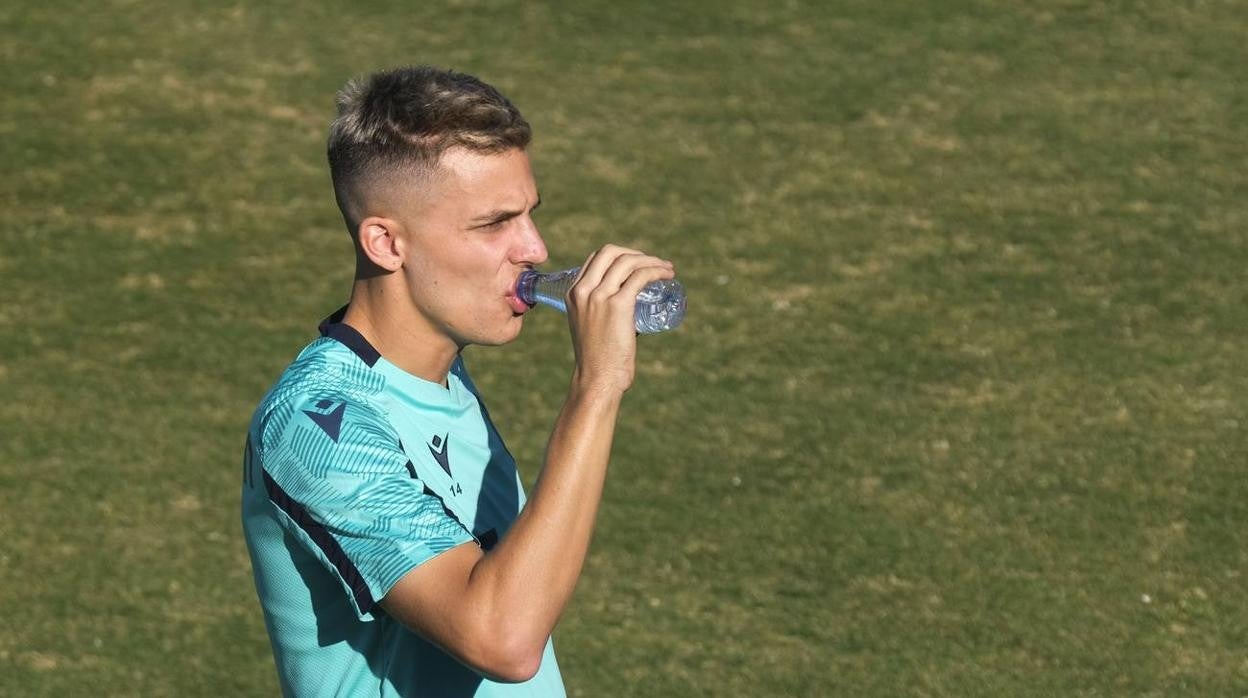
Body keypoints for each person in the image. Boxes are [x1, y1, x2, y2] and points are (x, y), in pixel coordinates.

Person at [240, 65, 675, 697]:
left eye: (529, 215)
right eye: (494, 223)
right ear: (387, 243)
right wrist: (597, 386)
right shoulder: (317, 426)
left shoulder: (441, 375)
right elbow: (502, 639)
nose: (534, 247)